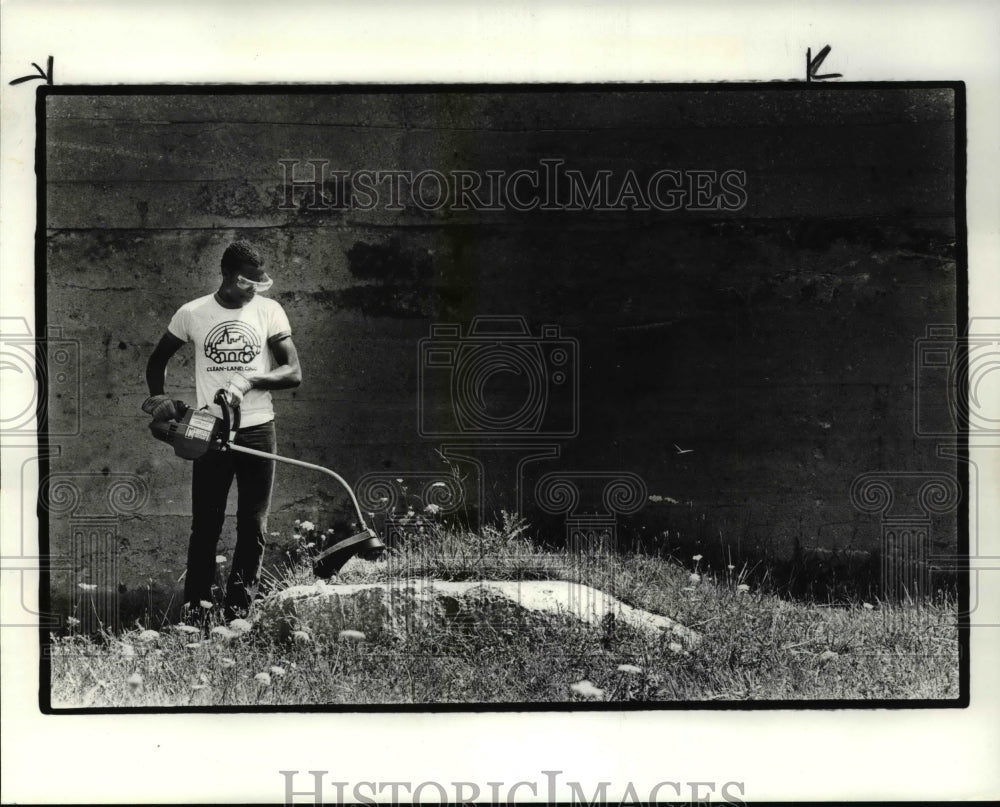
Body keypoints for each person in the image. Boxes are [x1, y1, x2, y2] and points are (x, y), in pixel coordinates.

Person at [143, 240, 301, 620]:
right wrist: (157, 398)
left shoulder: (269, 311)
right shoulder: (193, 312)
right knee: (206, 525)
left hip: (258, 429)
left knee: (253, 524)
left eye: (259, 284)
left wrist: (249, 381)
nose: (254, 290)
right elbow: (158, 360)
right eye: (248, 283)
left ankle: (239, 615)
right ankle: (196, 615)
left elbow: (292, 372)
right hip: (209, 431)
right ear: (228, 276)